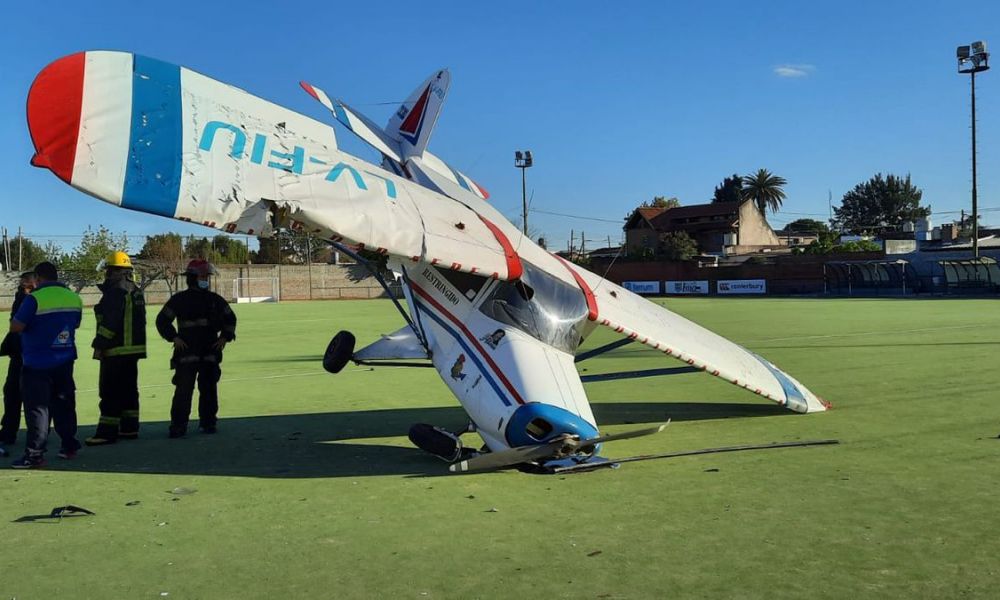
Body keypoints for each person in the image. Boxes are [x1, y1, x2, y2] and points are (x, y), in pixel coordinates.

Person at [9, 262, 82, 468]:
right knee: (64, 404)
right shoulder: (73, 297)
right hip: (65, 359)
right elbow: (76, 323)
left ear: (38, 278)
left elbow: (16, 326)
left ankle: (34, 454)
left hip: (37, 362)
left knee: (38, 408)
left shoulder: (34, 298)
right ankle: (69, 446)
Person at [156, 259, 236, 437]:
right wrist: (173, 337)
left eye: (207, 277)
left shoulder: (215, 300)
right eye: (203, 277)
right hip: (188, 353)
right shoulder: (180, 300)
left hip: (208, 353)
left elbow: (230, 318)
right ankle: (179, 426)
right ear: (193, 278)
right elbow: (162, 320)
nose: (206, 280)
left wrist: (225, 337)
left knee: (208, 390)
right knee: (184, 391)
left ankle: (208, 423)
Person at [85, 251, 147, 446]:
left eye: (108, 270)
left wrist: (99, 344)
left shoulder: (115, 291)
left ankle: (106, 433)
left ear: (114, 271)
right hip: (132, 351)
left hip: (115, 350)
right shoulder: (135, 290)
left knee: (110, 392)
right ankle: (129, 428)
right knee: (129, 391)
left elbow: (110, 322)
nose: (106, 274)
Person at [0, 272, 37, 456]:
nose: (24, 290)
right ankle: (8, 432)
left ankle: (38, 435)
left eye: (28, 286)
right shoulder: (20, 298)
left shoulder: (38, 300)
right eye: (22, 286)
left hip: (35, 356)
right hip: (18, 354)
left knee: (35, 399)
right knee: (11, 393)